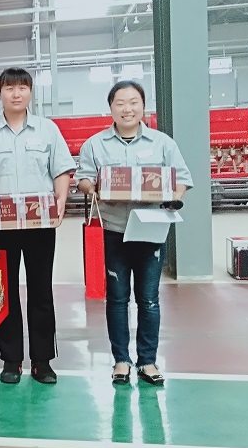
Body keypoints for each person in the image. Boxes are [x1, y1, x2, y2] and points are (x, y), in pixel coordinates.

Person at [76, 81, 192, 386]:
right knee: (117, 298)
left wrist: (175, 197)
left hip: (151, 230)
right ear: (111, 108)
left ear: (143, 105)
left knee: (149, 299)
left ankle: (148, 361)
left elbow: (181, 178)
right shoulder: (95, 145)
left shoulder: (162, 143)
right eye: (120, 103)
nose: (127, 109)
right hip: (114, 229)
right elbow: (83, 179)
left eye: (133, 102)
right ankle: (121, 361)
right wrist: (96, 188)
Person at [0, 68, 75, 385]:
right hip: (2, 224)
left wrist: (61, 201)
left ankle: (42, 361)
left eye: (23, 87)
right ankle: (11, 359)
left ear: (30, 92)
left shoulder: (48, 130)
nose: (16, 94)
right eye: (10, 88)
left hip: (40, 223)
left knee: (41, 290)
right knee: (4, 291)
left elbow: (61, 170)